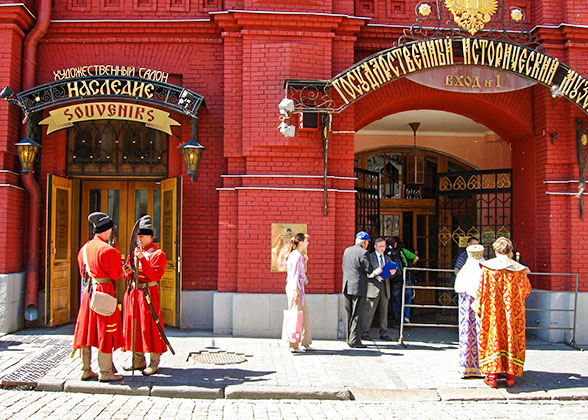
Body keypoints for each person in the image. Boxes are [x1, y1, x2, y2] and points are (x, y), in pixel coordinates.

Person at [72, 212, 124, 382]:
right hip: (104, 290)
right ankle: (106, 371)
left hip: (88, 291)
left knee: (86, 329)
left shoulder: (85, 248)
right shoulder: (108, 250)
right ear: (108, 230)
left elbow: (82, 271)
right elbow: (116, 275)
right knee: (105, 329)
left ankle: (86, 369)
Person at [473, 237, 531, 388]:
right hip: (512, 313)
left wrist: (479, 306)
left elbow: (482, 290)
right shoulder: (518, 269)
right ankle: (511, 375)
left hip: (493, 312)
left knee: (494, 338)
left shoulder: (488, 269)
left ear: (495, 250)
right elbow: (526, 290)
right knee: (511, 338)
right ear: (511, 250)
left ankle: (492, 376)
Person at [122, 215, 167, 376]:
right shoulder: (133, 252)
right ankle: (137, 360)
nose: (139, 238)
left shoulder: (158, 254)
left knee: (151, 326)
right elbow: (129, 274)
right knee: (134, 326)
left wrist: (143, 259)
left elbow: (155, 275)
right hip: (134, 293)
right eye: (137, 236)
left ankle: (154, 362)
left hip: (149, 293)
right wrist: (127, 272)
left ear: (150, 236)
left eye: (142, 235)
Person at [342, 231, 381, 348]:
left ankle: (349, 338)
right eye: (367, 242)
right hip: (358, 287)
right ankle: (355, 340)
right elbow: (369, 270)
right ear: (364, 242)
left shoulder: (347, 251)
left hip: (347, 285)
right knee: (357, 313)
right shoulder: (363, 253)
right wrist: (376, 271)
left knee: (349, 313)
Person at [454, 244, 485, 378]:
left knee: (467, 334)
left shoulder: (465, 271)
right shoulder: (486, 270)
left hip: (467, 310)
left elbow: (459, 287)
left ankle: (466, 367)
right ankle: (483, 366)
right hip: (481, 308)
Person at [362, 238, 396, 341]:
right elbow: (366, 272)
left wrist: (392, 273)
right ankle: (364, 332)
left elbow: (392, 276)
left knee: (384, 312)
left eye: (384, 246)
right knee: (369, 311)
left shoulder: (387, 258)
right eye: (380, 246)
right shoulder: (370, 257)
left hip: (385, 288)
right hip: (373, 287)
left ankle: (384, 332)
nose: (382, 248)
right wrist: (374, 273)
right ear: (375, 247)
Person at [285, 233, 312, 352]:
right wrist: (296, 291)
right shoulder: (296, 256)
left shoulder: (297, 255)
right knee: (296, 316)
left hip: (297, 287)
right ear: (301, 242)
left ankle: (305, 342)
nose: (308, 243)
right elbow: (295, 274)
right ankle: (294, 344)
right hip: (296, 287)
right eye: (306, 241)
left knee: (303, 314)